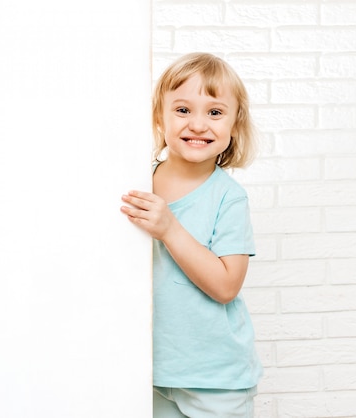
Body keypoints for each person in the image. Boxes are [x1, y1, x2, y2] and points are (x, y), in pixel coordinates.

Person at [120, 52, 262, 417]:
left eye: (214, 112)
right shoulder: (136, 183)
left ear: (234, 124)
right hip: (147, 370)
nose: (198, 124)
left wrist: (169, 229)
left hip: (215, 377)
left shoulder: (229, 197)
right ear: (159, 118)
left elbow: (227, 285)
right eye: (183, 110)